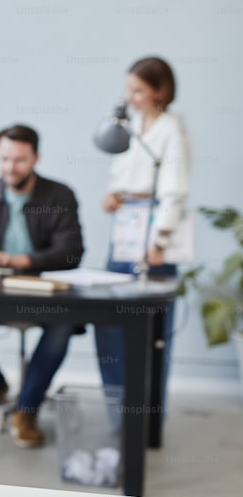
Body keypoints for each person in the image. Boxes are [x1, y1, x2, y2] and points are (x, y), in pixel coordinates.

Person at [0, 124, 84, 447]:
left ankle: (27, 408)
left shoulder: (59, 195)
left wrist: (19, 260)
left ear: (35, 158)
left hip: (41, 292)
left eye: (20, 160)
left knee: (60, 330)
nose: (11, 168)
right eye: (5, 159)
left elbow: (72, 252)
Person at [95, 56, 190, 412]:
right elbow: (122, 173)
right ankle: (119, 413)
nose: (130, 97)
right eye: (128, 89)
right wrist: (114, 193)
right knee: (110, 324)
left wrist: (160, 242)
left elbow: (174, 191)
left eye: (138, 90)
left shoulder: (171, 129)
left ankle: (147, 419)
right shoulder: (129, 126)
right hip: (124, 234)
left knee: (151, 336)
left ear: (160, 91)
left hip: (153, 245)